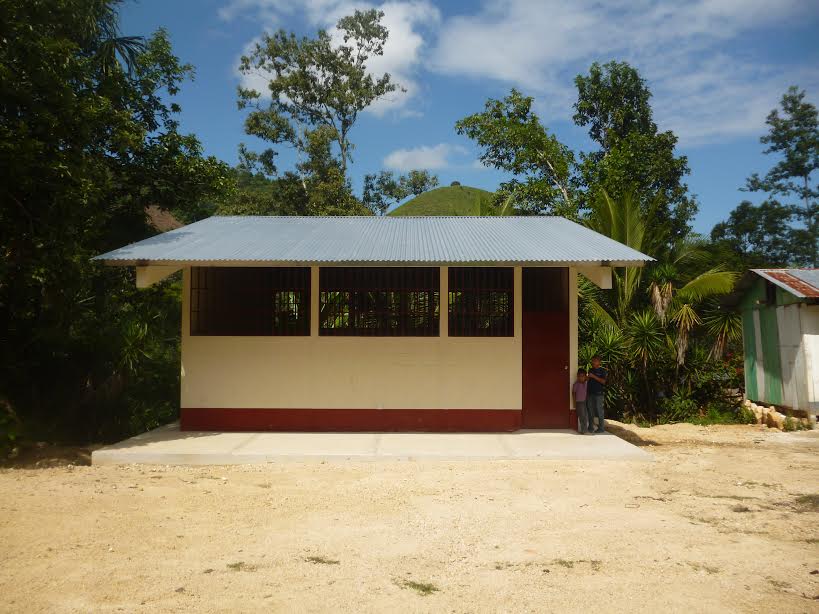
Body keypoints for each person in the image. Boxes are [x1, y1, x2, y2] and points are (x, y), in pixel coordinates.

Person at [587, 355, 607, 433]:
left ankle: (601, 428)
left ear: (599, 362)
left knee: (599, 411)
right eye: (592, 361)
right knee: (590, 410)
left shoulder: (603, 371)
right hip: (590, 393)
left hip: (599, 394)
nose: (593, 362)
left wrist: (594, 376)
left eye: (595, 361)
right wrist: (587, 377)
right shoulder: (590, 369)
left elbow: (603, 381)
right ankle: (591, 427)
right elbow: (588, 380)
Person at [572, 369, 590, 434]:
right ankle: (583, 430)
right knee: (581, 416)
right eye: (579, 376)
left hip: (585, 402)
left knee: (586, 415)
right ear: (577, 376)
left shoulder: (586, 383)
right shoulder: (576, 384)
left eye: (583, 376)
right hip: (579, 402)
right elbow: (573, 393)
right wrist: (574, 403)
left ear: (585, 377)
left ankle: (585, 429)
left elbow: (588, 378)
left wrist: (587, 377)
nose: (581, 378)